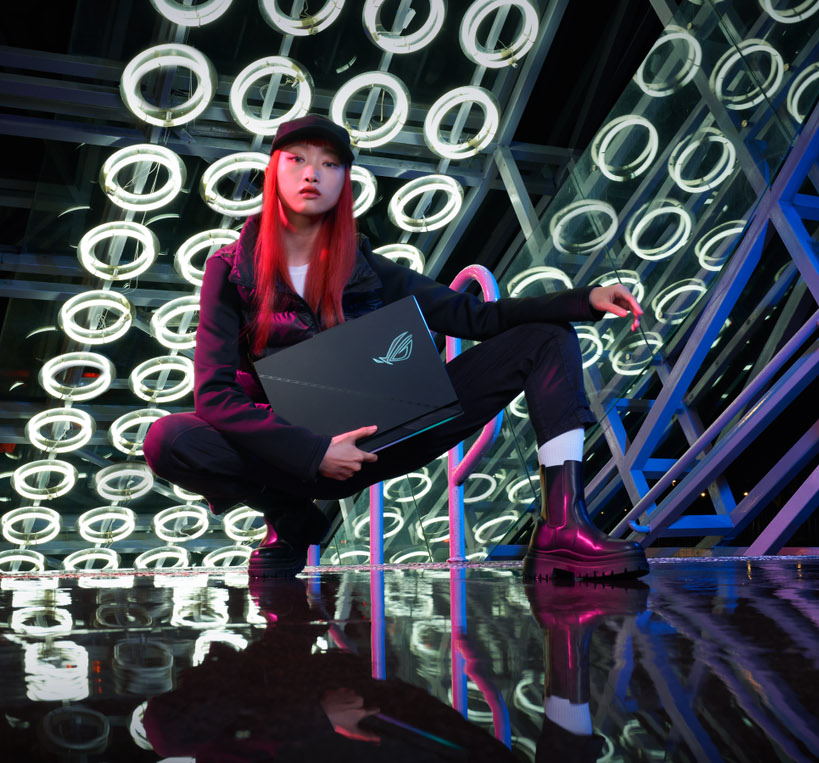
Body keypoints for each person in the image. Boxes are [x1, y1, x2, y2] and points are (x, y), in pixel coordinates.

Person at [144, 114, 649, 579]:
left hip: (384, 437)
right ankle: (289, 516)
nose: (312, 174)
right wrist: (314, 451)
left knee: (545, 337)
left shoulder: (366, 265)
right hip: (294, 453)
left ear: (344, 181)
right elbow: (213, 396)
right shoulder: (229, 269)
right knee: (169, 440)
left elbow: (477, 316)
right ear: (274, 170)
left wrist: (584, 298)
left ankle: (562, 529)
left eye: (331, 163)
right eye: (297, 159)